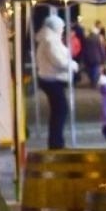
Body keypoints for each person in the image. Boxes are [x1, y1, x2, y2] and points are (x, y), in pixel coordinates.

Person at [35, 13, 73, 149]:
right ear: (56, 27)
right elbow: (58, 61)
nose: (63, 29)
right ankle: (56, 143)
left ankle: (57, 142)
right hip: (52, 79)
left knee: (59, 111)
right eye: (62, 27)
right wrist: (73, 65)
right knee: (60, 111)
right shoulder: (50, 40)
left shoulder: (48, 39)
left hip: (50, 78)